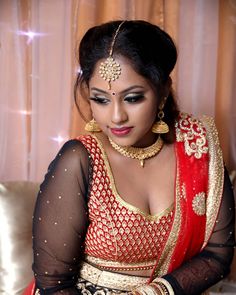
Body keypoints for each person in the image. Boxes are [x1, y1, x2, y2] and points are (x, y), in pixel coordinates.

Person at [25, 20, 235, 295]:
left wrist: (156, 293)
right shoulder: (80, 160)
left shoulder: (198, 145)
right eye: (100, 99)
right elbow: (53, 282)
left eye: (133, 98)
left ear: (162, 92)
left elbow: (218, 255)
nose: (116, 116)